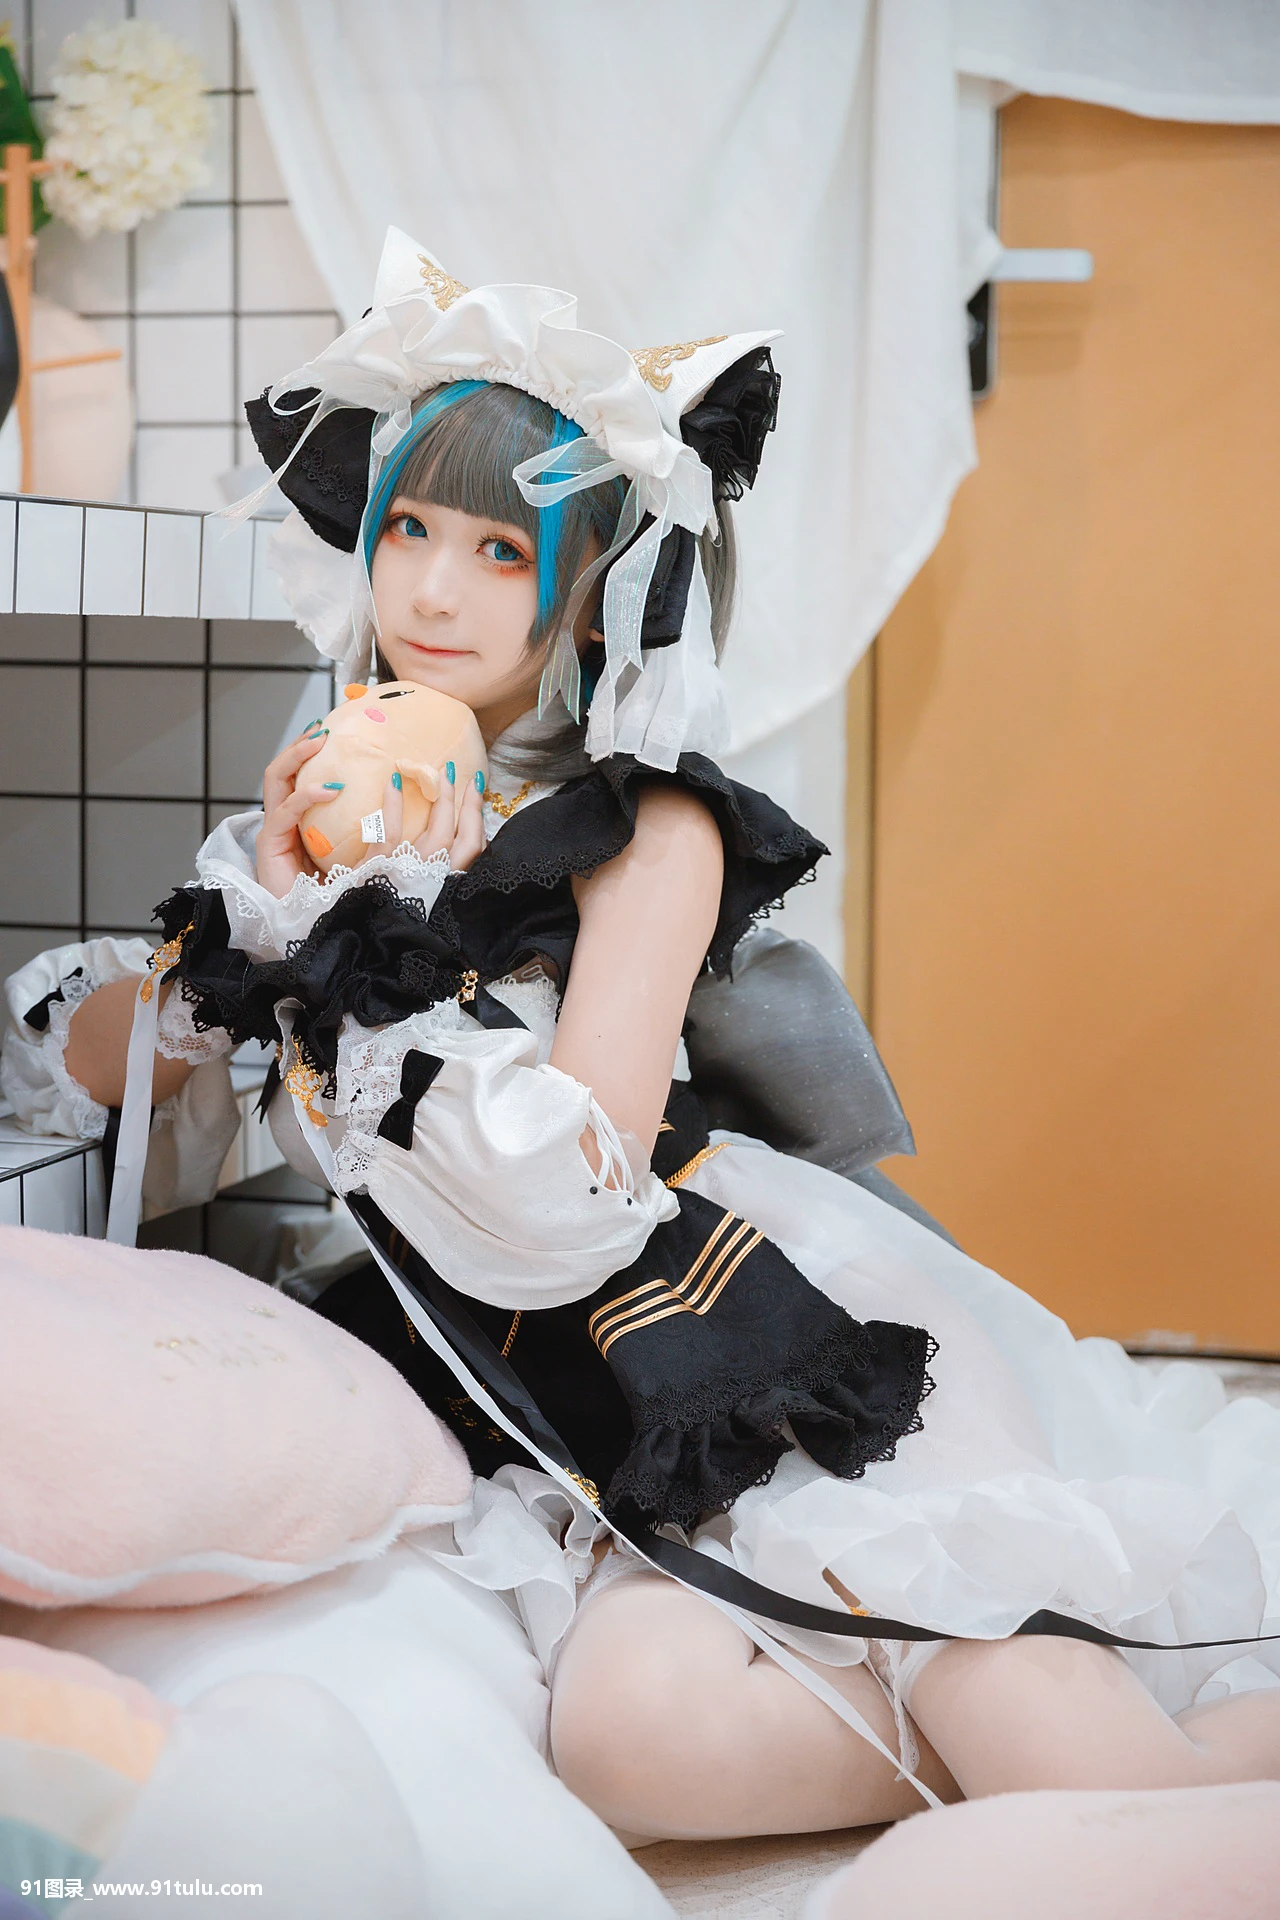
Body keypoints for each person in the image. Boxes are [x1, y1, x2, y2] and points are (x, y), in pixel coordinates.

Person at [5, 229, 1280, 1845]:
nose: (433, 590)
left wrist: (391, 949)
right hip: (538, 1400)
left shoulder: (642, 831)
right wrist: (249, 940)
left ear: (590, 593)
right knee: (631, 1749)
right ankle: (1122, 1739)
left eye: (501, 551)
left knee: (1068, 1759)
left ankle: (1146, 1747)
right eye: (409, 529)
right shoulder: (326, 822)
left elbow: (572, 1193)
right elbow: (96, 1094)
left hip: (731, 1317)